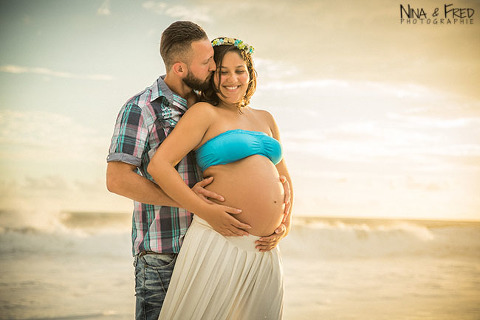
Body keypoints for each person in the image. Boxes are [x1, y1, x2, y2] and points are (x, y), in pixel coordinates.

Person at [106, 21, 290, 320]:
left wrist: (283, 219)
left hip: (233, 242)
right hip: (167, 248)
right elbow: (117, 180)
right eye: (211, 65)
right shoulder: (143, 108)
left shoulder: (204, 104)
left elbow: (278, 174)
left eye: (236, 69)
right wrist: (199, 205)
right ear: (181, 68)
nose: (215, 70)